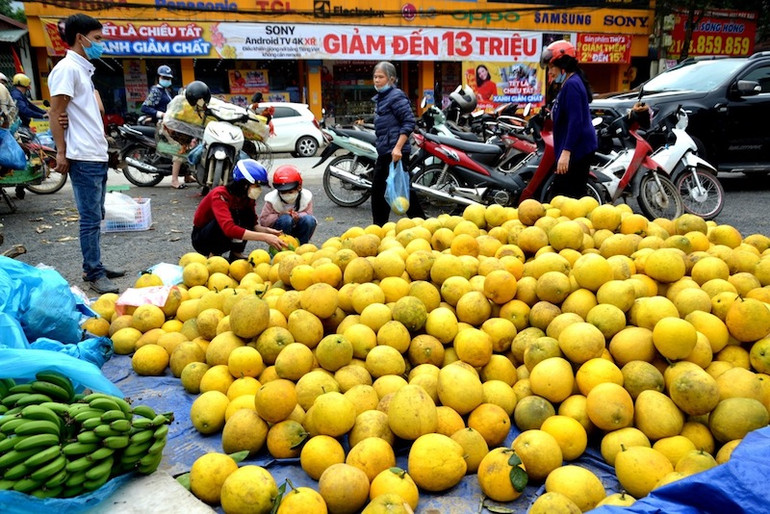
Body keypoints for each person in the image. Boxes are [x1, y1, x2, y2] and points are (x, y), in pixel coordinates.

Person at [48, 13, 125, 294]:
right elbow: (55, 112)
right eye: (97, 38)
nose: (101, 44)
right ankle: (93, 272)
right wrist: (61, 152)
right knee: (90, 219)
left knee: (96, 214)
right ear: (80, 38)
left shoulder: (83, 70)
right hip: (83, 157)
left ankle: (94, 265)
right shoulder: (67, 69)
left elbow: (91, 110)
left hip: (96, 153)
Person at [192, 159, 287, 260]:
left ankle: (236, 253)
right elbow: (229, 229)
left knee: (244, 215)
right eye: (256, 185)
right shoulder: (220, 194)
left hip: (226, 238)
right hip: (203, 238)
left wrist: (267, 231)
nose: (258, 189)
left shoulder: (247, 197)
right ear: (244, 184)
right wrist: (265, 238)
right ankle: (212, 254)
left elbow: (252, 224)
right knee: (229, 218)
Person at [540, 39, 597, 199]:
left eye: (552, 67)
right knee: (566, 197)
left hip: (577, 151)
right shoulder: (569, 83)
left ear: (563, 66)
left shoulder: (572, 85)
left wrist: (566, 153)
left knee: (563, 197)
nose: (550, 72)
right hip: (574, 149)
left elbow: (575, 122)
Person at [371, 61, 424, 226]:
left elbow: (409, 122)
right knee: (393, 190)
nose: (376, 80)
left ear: (391, 79)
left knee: (384, 190)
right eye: (375, 77)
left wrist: (398, 148)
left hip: (395, 152)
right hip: (386, 151)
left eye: (380, 77)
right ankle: (420, 224)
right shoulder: (382, 98)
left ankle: (380, 228)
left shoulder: (396, 96)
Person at [142, 65, 186, 189]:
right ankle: (174, 180)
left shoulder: (166, 91)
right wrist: (161, 114)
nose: (167, 80)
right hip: (163, 126)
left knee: (188, 143)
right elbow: (145, 107)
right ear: (159, 77)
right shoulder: (156, 90)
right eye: (164, 77)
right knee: (179, 149)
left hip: (171, 124)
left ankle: (187, 175)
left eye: (168, 78)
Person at [259, 164, 317, 245]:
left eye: (290, 192)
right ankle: (282, 245)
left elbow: (309, 214)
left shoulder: (305, 198)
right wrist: (279, 215)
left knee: (309, 220)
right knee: (286, 219)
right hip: (280, 231)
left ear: (299, 187)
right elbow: (263, 221)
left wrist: (298, 216)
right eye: (283, 192)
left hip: (299, 229)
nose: (287, 195)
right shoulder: (272, 200)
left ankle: (302, 245)